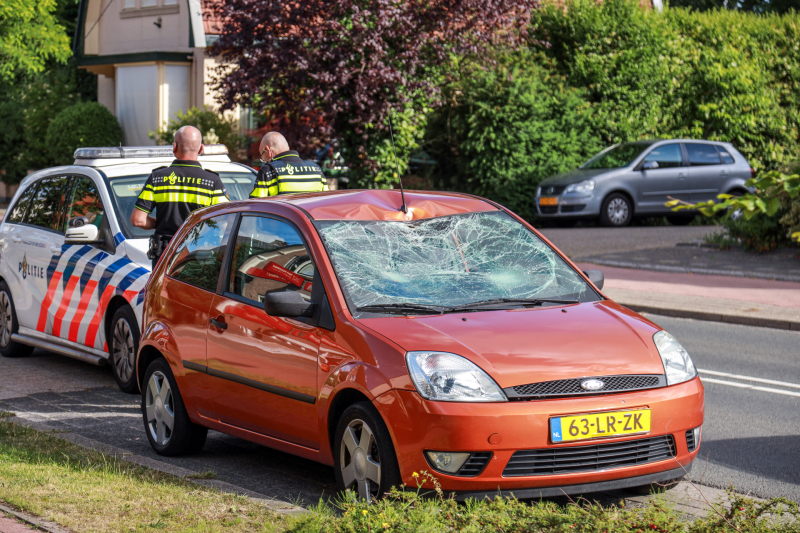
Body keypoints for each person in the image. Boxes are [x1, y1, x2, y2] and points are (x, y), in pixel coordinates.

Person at [130, 125, 230, 269]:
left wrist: (164, 222)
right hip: (200, 256)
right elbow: (224, 222)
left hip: (165, 256)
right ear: (201, 149)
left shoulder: (157, 178)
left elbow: (138, 220)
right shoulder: (212, 181)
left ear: (174, 146)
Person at [250, 132, 328, 198]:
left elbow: (255, 206)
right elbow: (325, 201)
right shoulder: (316, 169)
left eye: (263, 157)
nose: (264, 161)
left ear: (268, 150)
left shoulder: (267, 171)